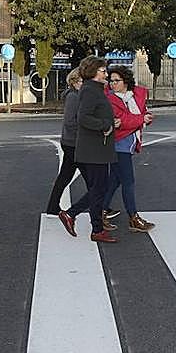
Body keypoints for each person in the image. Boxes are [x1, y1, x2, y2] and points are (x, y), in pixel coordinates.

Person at [57, 56, 118, 243]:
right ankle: (73, 214)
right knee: (100, 187)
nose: (106, 74)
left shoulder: (95, 89)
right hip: (94, 148)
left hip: (97, 147)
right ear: (93, 72)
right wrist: (105, 126)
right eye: (103, 71)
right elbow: (83, 118)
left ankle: (96, 228)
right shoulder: (91, 90)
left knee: (98, 188)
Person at [103, 65, 155, 233]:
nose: (112, 84)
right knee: (128, 181)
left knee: (114, 180)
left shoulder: (136, 96)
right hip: (118, 145)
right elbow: (122, 120)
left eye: (116, 81)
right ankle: (133, 217)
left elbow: (143, 116)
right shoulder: (110, 98)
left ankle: (101, 212)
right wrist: (141, 119)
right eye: (111, 81)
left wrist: (144, 118)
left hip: (129, 143)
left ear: (125, 81)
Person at [45, 69, 83, 215]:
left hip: (70, 142)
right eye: (81, 81)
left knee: (65, 175)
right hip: (74, 143)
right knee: (93, 179)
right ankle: (102, 206)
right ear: (74, 82)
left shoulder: (75, 95)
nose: (84, 84)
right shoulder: (73, 96)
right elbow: (69, 121)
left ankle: (52, 206)